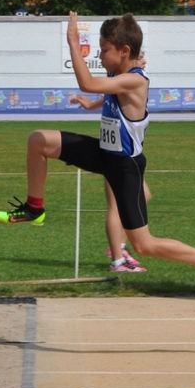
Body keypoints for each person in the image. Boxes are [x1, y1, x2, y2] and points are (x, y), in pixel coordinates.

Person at [0, 11, 195, 282]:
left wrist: (74, 43)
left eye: (103, 50)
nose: (99, 56)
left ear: (124, 51)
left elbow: (89, 83)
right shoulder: (119, 76)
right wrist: (91, 104)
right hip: (104, 154)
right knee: (39, 140)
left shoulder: (135, 80)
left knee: (144, 244)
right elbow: (109, 93)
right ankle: (34, 208)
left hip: (124, 166)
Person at [69, 91, 150, 273]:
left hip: (126, 153)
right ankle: (118, 259)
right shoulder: (125, 77)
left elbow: (109, 95)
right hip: (117, 154)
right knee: (116, 205)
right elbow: (101, 88)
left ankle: (119, 247)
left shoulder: (126, 79)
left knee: (143, 195)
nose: (143, 60)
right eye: (140, 58)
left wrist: (90, 105)